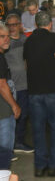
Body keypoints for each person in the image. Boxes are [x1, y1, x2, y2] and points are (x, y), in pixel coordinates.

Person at [23, 11, 55, 177]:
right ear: (50, 23)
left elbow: (27, 65)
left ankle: (39, 166)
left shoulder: (28, 41)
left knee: (38, 129)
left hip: (35, 92)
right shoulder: (54, 38)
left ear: (36, 24)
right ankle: (54, 165)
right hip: (53, 91)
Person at [4, 15, 33, 153]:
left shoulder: (25, 40)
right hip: (12, 87)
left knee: (23, 114)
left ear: (20, 25)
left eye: (14, 24)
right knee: (11, 116)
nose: (12, 27)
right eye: (9, 25)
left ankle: (18, 141)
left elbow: (28, 59)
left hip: (25, 84)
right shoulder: (5, 42)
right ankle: (14, 143)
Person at [0, 23, 20, 161]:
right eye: (2, 36)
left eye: (7, 36)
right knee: (5, 146)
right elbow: (2, 84)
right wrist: (14, 105)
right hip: (3, 108)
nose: (6, 39)